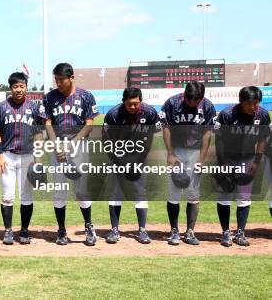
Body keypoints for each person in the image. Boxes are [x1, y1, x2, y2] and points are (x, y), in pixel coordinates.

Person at [43, 63, 99, 246]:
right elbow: (48, 123)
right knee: (60, 191)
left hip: (79, 146)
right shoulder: (50, 97)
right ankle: (61, 230)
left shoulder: (85, 96)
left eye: (61, 79)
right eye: (56, 79)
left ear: (71, 77)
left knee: (81, 191)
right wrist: (56, 145)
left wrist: (72, 144)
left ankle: (89, 226)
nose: (58, 83)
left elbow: (89, 124)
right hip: (57, 146)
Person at [0, 72, 45, 245]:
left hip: (28, 156)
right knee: (7, 196)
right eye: (15, 86)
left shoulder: (34, 108)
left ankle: (24, 230)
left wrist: (39, 158)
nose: (19, 90)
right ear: (10, 88)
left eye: (22, 86)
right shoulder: (1, 107)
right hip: (7, 155)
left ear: (26, 87)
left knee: (26, 196)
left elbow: (38, 133)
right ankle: (8, 231)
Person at [103, 87, 161, 244]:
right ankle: (114, 230)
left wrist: (140, 161)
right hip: (118, 154)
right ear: (123, 102)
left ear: (140, 101)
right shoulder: (113, 115)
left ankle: (142, 230)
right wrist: (119, 161)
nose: (133, 107)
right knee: (116, 191)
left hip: (139, 155)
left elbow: (150, 138)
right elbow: (106, 141)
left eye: (136, 104)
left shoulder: (149, 113)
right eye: (130, 104)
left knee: (139, 191)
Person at [160, 81, 215, 246]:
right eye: (190, 101)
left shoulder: (207, 106)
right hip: (176, 150)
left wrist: (202, 159)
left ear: (201, 98)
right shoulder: (171, 103)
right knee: (174, 192)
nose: (193, 104)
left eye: (196, 101)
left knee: (193, 194)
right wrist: (170, 154)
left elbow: (207, 133)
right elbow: (166, 128)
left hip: (195, 152)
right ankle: (174, 231)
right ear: (184, 95)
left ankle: (190, 231)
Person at [214, 86, 270, 247]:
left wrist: (256, 162)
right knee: (225, 196)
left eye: (256, 103)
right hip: (228, 159)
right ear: (241, 102)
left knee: (244, 198)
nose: (253, 107)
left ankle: (240, 233)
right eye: (249, 103)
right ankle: (225, 232)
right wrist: (222, 164)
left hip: (248, 160)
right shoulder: (226, 115)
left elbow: (262, 140)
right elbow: (219, 140)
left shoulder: (263, 115)